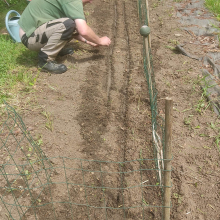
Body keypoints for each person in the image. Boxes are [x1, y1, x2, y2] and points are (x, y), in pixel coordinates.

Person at [18, 0, 111, 74]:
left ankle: (54, 49)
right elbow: (83, 30)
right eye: (89, 1)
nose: (90, 2)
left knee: (72, 23)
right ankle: (45, 61)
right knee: (69, 24)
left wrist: (88, 41)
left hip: (35, 32)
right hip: (29, 37)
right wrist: (100, 41)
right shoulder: (73, 1)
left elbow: (77, 30)